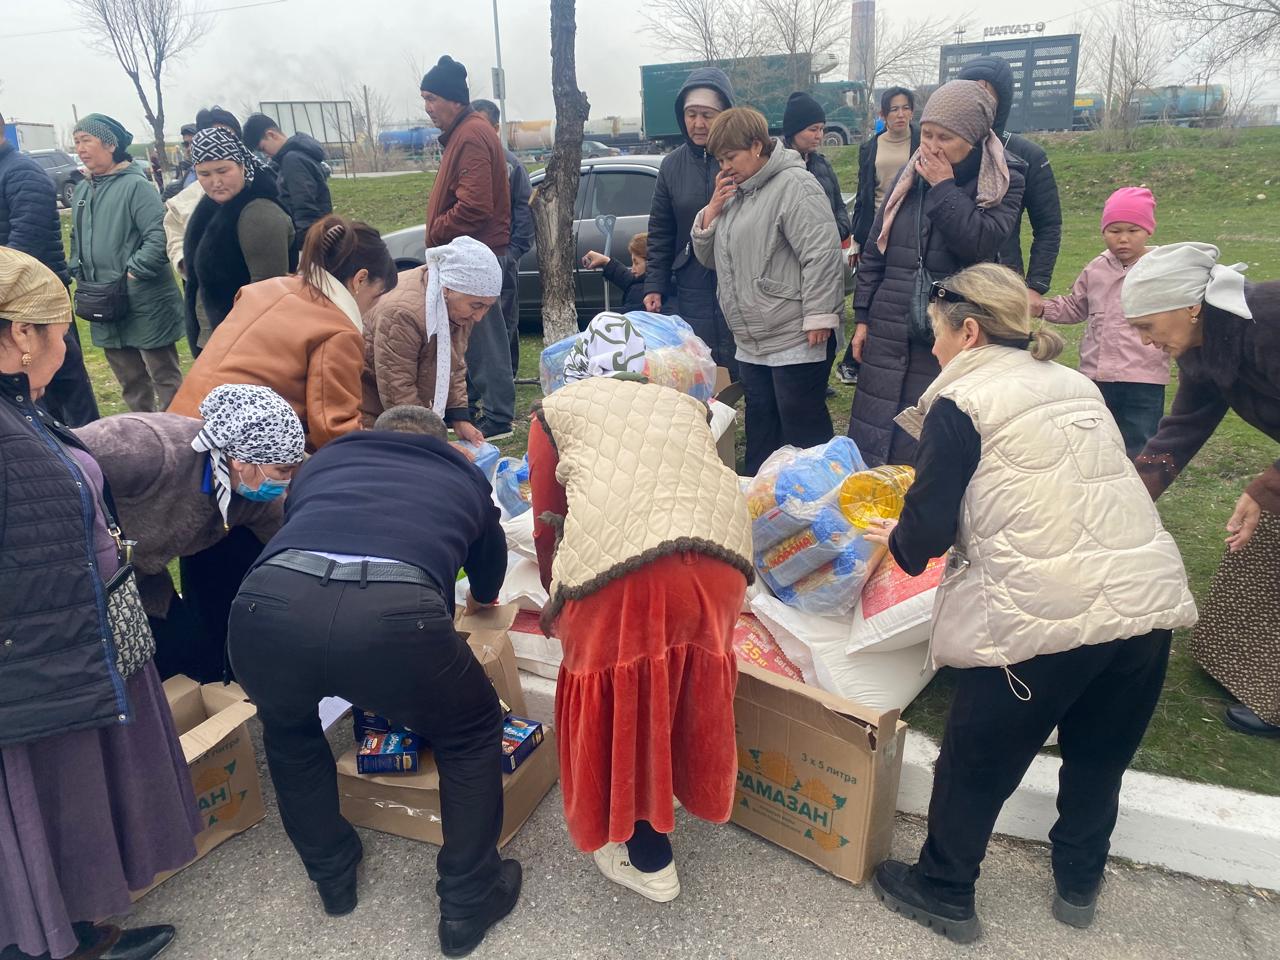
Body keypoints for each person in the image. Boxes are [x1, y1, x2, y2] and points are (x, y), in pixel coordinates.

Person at [863, 262, 1197, 943]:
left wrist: (892, 536)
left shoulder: (962, 401)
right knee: (1099, 758)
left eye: (937, 336)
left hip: (1046, 613)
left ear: (971, 332)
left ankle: (944, 889)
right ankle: (1079, 882)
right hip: (1145, 605)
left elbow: (924, 536)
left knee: (975, 761)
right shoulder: (1077, 383)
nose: (934, 350)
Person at [226, 403, 520, 957]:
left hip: (266, 605)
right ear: (445, 444)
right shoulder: (463, 474)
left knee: (289, 732)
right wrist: (478, 603)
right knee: (471, 732)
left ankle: (332, 878)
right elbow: (487, 573)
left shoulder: (327, 459)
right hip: (394, 615)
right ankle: (466, 902)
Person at [0, 247, 200, 960]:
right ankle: (51, 942)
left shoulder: (18, 406)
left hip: (62, 637)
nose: (68, 346)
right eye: (62, 330)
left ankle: (63, 928)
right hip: (38, 655)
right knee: (41, 804)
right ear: (22, 334)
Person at [528, 326, 754, 904]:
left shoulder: (554, 412)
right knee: (682, 677)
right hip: (719, 562)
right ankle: (673, 789)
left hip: (624, 574)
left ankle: (649, 858)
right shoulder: (685, 406)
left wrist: (559, 597)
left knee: (621, 697)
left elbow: (549, 522)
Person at [1124, 242, 1280, 737]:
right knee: (1258, 546)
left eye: (1147, 326)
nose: (1145, 341)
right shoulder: (1201, 344)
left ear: (1190, 305)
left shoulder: (1269, 325)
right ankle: (1245, 673)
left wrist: (1267, 483)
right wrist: (1125, 495)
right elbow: (1183, 428)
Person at [847, 80, 1027, 467]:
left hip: (953, 328)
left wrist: (944, 186)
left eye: (945, 137)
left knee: (928, 441)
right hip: (891, 321)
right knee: (874, 432)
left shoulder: (1003, 180)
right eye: (926, 134)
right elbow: (877, 247)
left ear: (975, 138)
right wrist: (862, 319)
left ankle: (911, 523)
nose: (931, 146)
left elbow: (980, 244)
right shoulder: (908, 174)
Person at [74, 384, 305, 683]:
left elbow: (287, 544)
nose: (285, 482)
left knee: (193, 665)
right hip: (81, 572)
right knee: (117, 677)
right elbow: (55, 461)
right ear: (242, 460)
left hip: (144, 582)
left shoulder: (252, 495)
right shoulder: (144, 447)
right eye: (282, 470)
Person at [691, 107, 844, 474]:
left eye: (731, 157)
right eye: (719, 160)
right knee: (762, 424)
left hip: (795, 332)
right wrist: (712, 211)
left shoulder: (796, 185)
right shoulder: (735, 193)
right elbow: (712, 258)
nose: (724, 167)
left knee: (801, 429)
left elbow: (821, 254)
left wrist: (820, 315)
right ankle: (762, 506)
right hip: (753, 339)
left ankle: (819, 504)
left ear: (757, 145)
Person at [169, 214, 397, 450]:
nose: (374, 307)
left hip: (177, 428)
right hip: (222, 451)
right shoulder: (338, 331)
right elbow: (332, 430)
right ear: (360, 280)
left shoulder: (267, 289)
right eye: (376, 296)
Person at [1031, 187, 1167, 457]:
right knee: (1095, 442)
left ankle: (1138, 495)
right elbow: (1075, 307)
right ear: (1103, 232)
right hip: (1095, 376)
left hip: (1144, 379)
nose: (1123, 239)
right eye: (1114, 231)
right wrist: (1040, 308)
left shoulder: (1162, 269)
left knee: (1140, 444)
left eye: (1133, 230)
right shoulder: (1096, 269)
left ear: (1148, 231)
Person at [420, 56, 515, 439]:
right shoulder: (465, 133)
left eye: (431, 98)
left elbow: (475, 205)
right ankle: (471, 408)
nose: (427, 107)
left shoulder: (472, 135)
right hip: (473, 253)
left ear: (454, 100)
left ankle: (497, 415)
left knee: (485, 337)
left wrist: (437, 232)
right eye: (423, 98)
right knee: (469, 339)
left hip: (479, 257)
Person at [70, 113, 186, 413]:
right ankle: (143, 434)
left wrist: (134, 271)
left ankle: (180, 435)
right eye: (76, 142)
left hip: (144, 300)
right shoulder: (83, 189)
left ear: (110, 145)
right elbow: (76, 235)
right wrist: (76, 265)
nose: (80, 148)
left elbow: (159, 236)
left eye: (86, 140)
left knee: (164, 375)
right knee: (129, 379)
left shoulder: (137, 187)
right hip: (103, 299)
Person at [0, 109, 99, 426]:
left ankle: (87, 450)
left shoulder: (21, 173)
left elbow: (30, 240)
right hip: (10, 304)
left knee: (64, 384)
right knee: (28, 389)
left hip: (40, 302)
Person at [361, 235, 503, 440]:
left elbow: (453, 361)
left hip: (404, 406)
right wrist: (432, 442)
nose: (479, 317)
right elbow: (398, 389)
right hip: (371, 411)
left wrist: (459, 416)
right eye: (477, 305)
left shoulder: (457, 304)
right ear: (448, 290)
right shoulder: (402, 314)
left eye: (487, 307)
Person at [644, 67, 737, 376]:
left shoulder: (740, 159)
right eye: (691, 114)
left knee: (743, 361)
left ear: (725, 114)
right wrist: (654, 285)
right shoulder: (672, 166)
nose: (698, 123)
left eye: (707, 115)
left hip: (737, 273)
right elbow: (660, 230)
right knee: (699, 360)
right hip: (691, 278)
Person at [958, 56, 1064, 297]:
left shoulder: (1027, 156)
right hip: (947, 282)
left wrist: (1036, 286)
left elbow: (1048, 225)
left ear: (1001, 100)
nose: (977, 101)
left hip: (1002, 282)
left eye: (985, 91)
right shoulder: (941, 151)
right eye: (969, 90)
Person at [182, 126, 294, 353]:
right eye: (205, 174)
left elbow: (267, 296)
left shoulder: (258, 212)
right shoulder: (214, 206)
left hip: (246, 348)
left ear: (242, 165)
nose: (215, 181)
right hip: (217, 339)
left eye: (223, 170)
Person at [841, 86, 920, 385]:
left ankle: (877, 358)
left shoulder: (924, 143)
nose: (900, 114)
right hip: (875, 228)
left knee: (900, 294)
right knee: (871, 292)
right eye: (894, 109)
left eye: (905, 108)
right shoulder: (870, 147)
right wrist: (857, 240)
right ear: (882, 114)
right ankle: (857, 358)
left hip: (909, 228)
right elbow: (863, 194)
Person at [472, 98, 533, 375]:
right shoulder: (466, 159)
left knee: (503, 320)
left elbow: (524, 208)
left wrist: (513, 253)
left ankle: (506, 377)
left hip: (501, 257)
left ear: (495, 128)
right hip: (471, 258)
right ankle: (474, 385)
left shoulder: (510, 165)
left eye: (481, 124)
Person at [241, 113, 333, 257]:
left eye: (263, 149)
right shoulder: (296, 156)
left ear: (271, 135)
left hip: (311, 241)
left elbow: (305, 207)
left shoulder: (293, 160)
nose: (265, 155)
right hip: (318, 235)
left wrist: (304, 251)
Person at [165, 107, 243, 276]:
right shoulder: (186, 193)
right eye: (205, 174)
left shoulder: (263, 186)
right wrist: (186, 262)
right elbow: (174, 232)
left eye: (225, 136)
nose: (216, 142)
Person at [782, 92, 850, 243]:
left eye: (821, 129)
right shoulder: (778, 168)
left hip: (828, 251)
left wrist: (839, 230)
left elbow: (839, 206)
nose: (819, 135)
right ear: (794, 131)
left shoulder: (822, 164)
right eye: (813, 129)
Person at [582, 232, 649, 314]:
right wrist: (606, 261)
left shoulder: (640, 295)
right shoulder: (649, 285)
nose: (632, 270)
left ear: (651, 263)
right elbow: (632, 282)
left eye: (636, 263)